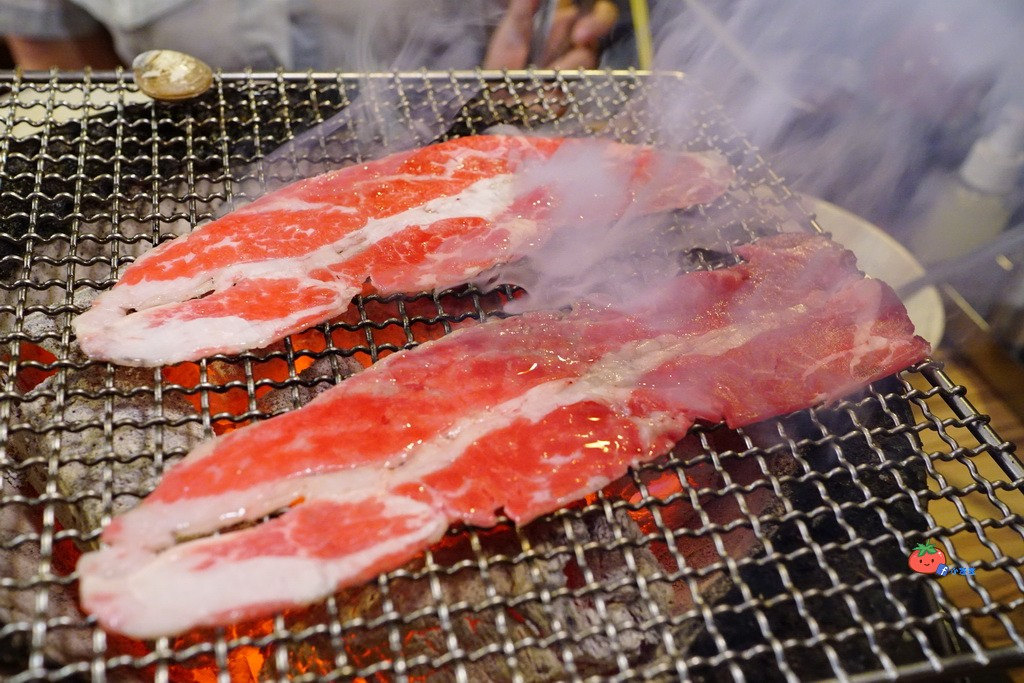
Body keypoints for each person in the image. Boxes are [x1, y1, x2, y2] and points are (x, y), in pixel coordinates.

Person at [0, 0, 620, 71]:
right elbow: (62, 73)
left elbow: (547, 24)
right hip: (197, 179)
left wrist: (555, 46)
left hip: (449, 157)